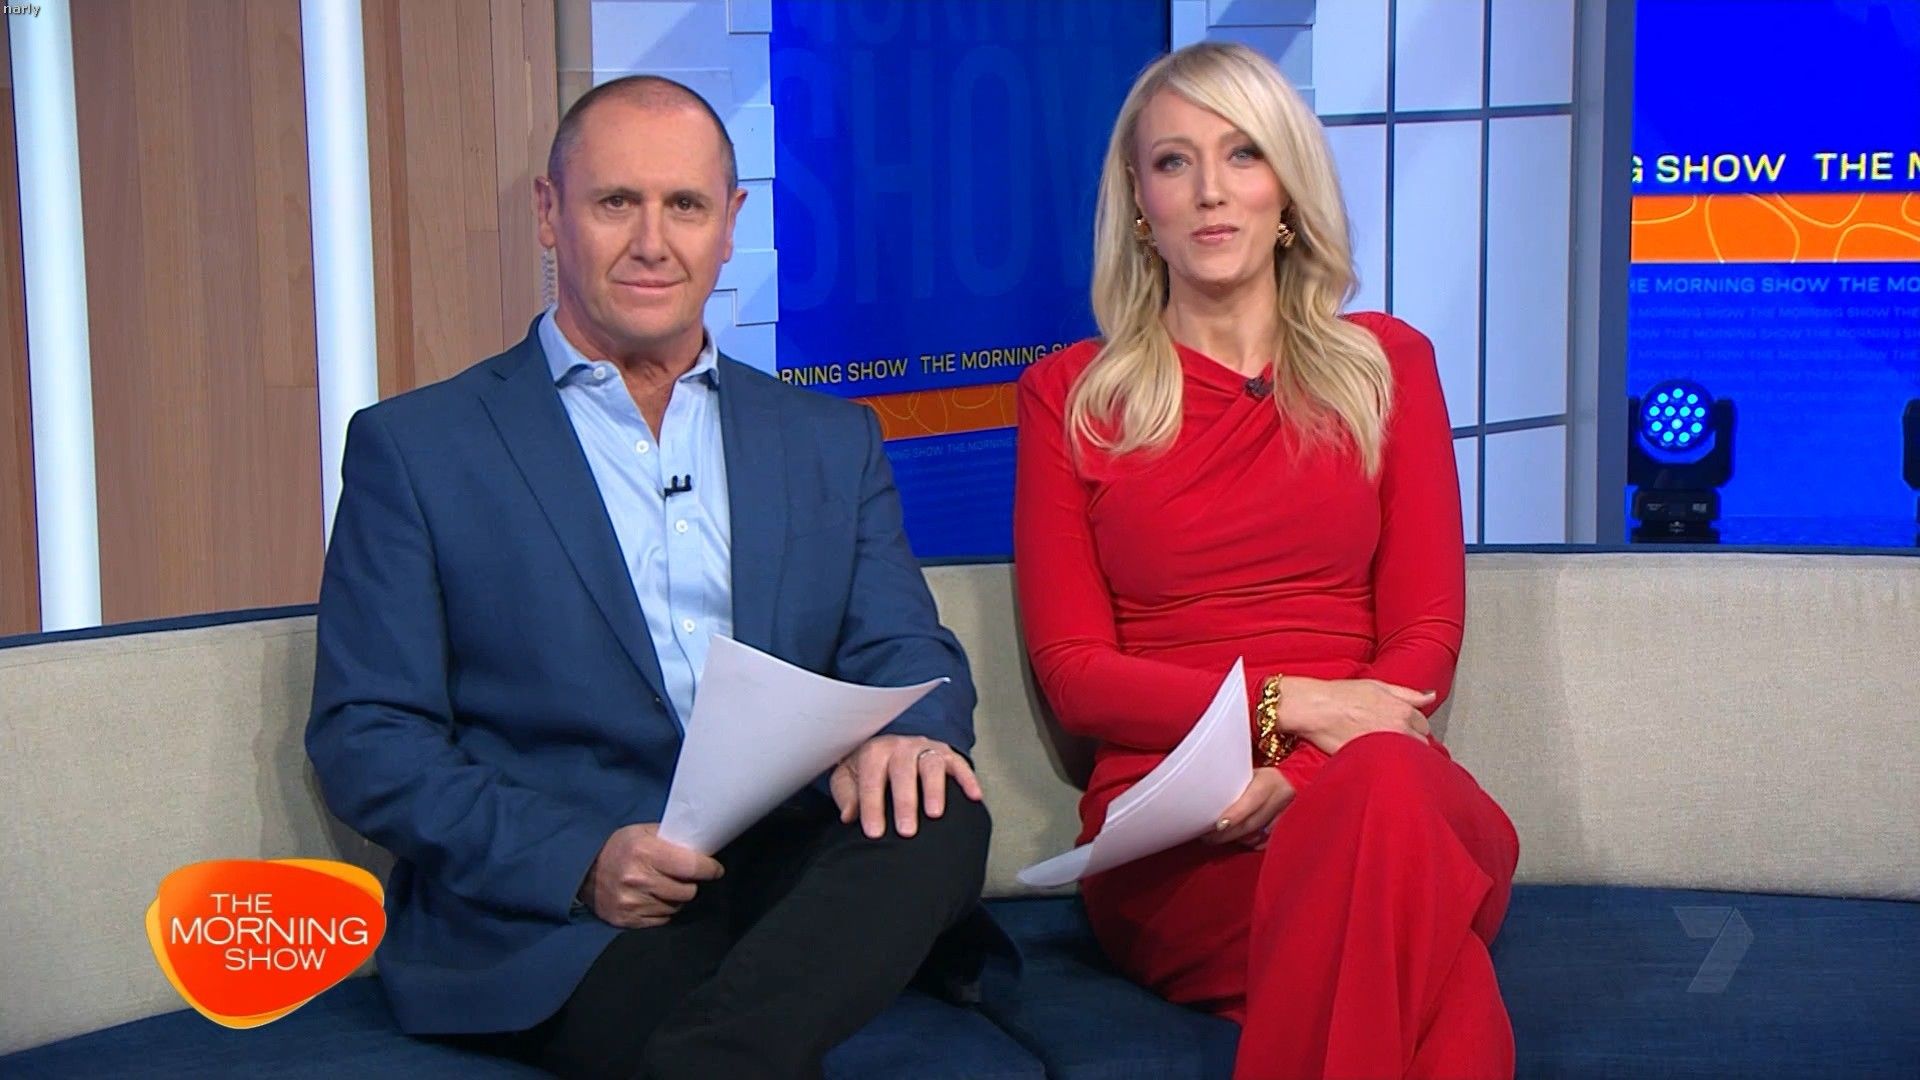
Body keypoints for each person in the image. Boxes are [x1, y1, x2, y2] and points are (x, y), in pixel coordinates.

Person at [306, 75, 992, 1080]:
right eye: (616, 202)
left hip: (789, 862)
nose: (652, 242)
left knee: (939, 809)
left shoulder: (826, 438)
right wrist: (582, 859)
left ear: (730, 224)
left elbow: (905, 646)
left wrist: (907, 734)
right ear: (550, 213)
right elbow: (368, 734)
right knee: (707, 1002)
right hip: (579, 913)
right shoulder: (418, 449)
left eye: (686, 206)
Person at [1013, 43, 1520, 1080]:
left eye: (1243, 154)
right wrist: (1292, 707)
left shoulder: (1388, 367)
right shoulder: (1070, 397)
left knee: (1383, 791)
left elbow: (1425, 636)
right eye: (1174, 162)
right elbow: (1076, 675)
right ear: (1138, 200)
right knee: (1441, 974)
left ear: (1286, 184)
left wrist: (1309, 768)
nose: (1210, 190)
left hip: (1380, 787)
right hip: (1185, 833)